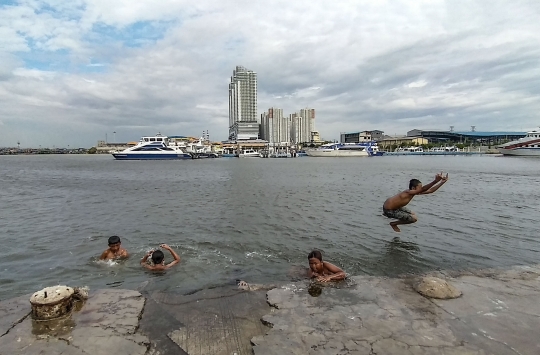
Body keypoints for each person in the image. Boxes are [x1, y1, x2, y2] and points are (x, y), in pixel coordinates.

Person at [383, 172, 449, 232]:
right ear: (413, 188)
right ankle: (393, 224)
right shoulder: (408, 192)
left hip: (395, 207)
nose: (421, 190)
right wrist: (435, 181)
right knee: (414, 219)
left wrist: (442, 182)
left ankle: (392, 220)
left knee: (413, 213)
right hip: (389, 210)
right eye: (419, 188)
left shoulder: (413, 192)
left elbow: (431, 190)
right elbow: (424, 189)